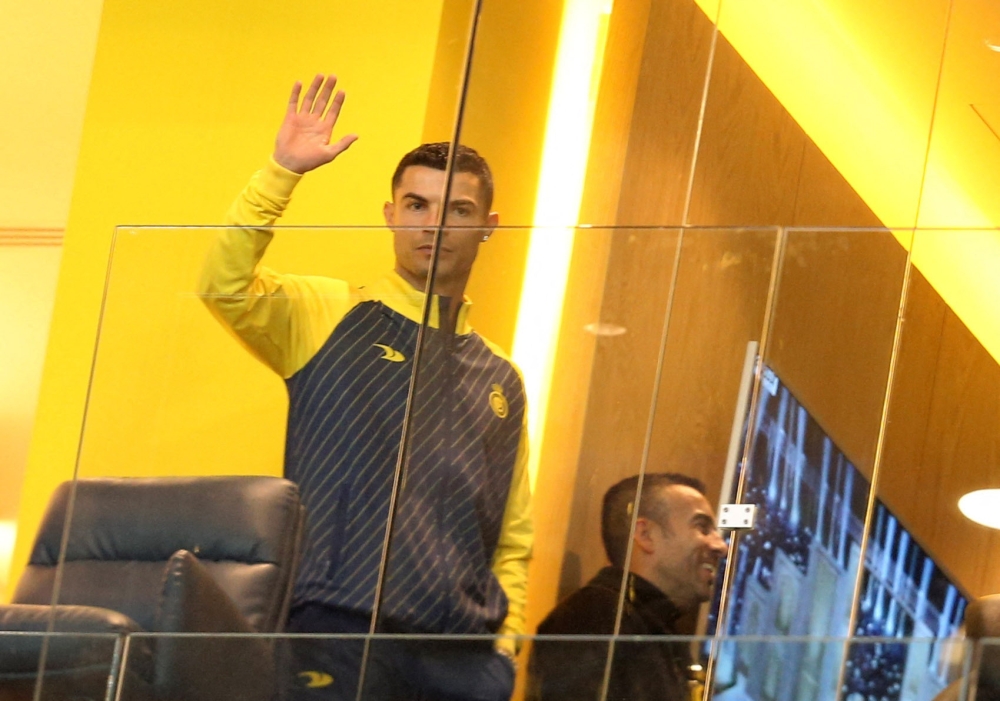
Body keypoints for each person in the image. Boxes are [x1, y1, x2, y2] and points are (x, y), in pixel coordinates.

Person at [198, 74, 532, 701]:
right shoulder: (328, 312)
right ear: (390, 214)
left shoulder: (502, 379)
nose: (434, 225)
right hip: (333, 629)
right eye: (416, 205)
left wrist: (504, 650)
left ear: (488, 226)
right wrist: (281, 172)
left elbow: (512, 536)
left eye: (457, 210)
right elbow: (222, 286)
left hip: (460, 661)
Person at [528, 473, 726, 701]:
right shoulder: (593, 621)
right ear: (645, 534)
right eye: (702, 527)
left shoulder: (643, 624)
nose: (720, 546)